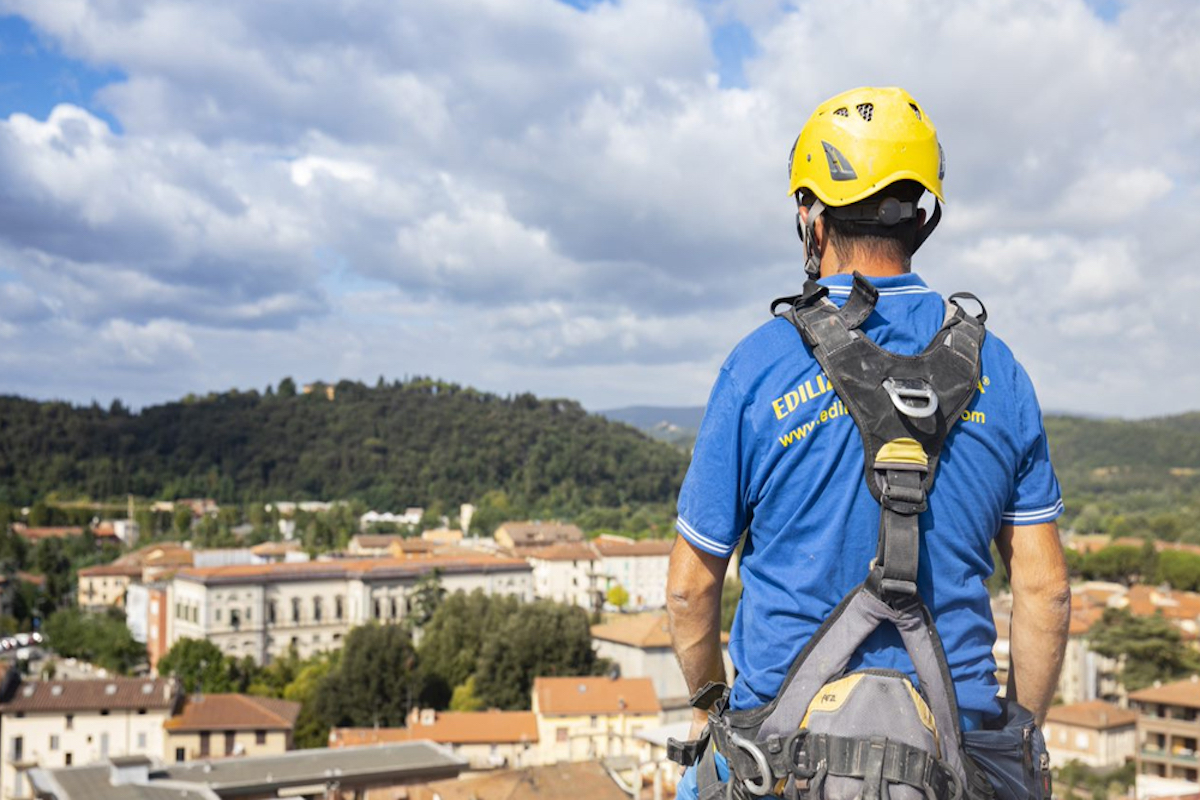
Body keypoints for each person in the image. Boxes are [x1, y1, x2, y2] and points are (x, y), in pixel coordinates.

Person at [667, 86, 1071, 799]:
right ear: (922, 216)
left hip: (779, 767)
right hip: (958, 762)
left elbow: (688, 589)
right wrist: (1018, 739)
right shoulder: (998, 373)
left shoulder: (760, 366)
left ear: (809, 217)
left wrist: (710, 710)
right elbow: (1045, 592)